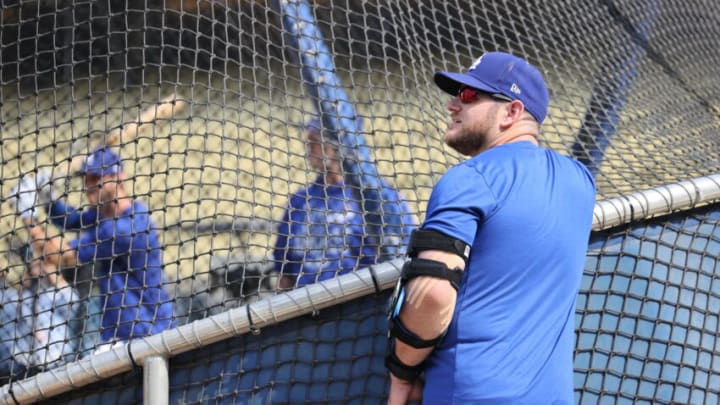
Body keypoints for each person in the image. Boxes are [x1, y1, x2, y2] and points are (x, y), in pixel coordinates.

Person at [385, 51, 596, 404]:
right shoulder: (581, 181)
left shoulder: (468, 179)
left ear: (512, 112)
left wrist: (401, 373)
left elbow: (432, 295)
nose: (453, 105)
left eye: (469, 96)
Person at [9, 146, 176, 347]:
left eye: (96, 178)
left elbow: (59, 256)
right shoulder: (108, 214)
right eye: (86, 178)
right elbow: (71, 220)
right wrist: (48, 200)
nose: (88, 184)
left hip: (148, 337)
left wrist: (28, 215)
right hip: (124, 336)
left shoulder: (125, 227)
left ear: (119, 177)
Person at [273, 118, 417, 289]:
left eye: (317, 140)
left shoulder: (375, 196)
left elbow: (404, 251)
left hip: (360, 303)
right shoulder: (300, 201)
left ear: (340, 144)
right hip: (308, 306)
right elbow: (285, 272)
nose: (309, 145)